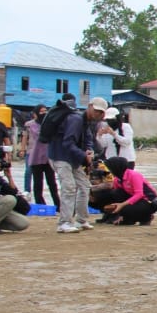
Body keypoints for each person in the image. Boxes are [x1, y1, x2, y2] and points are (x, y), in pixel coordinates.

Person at [50, 96, 105, 233]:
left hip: (73, 158)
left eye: (101, 112)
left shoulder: (85, 121)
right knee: (69, 187)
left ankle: (81, 220)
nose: (98, 114)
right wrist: (84, 156)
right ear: (90, 106)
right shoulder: (76, 119)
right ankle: (64, 223)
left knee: (84, 185)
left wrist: (89, 151)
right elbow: (67, 143)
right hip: (60, 156)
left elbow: (88, 139)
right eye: (96, 110)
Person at [98, 157, 157, 226]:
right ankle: (123, 218)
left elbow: (139, 194)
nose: (109, 171)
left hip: (148, 200)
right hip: (135, 200)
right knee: (112, 194)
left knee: (125, 209)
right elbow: (117, 195)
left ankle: (146, 217)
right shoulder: (117, 179)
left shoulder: (134, 175)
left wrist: (122, 205)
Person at [24, 105, 58, 209]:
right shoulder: (31, 125)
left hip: (48, 157)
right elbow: (40, 136)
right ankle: (40, 204)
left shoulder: (50, 124)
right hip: (36, 157)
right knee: (38, 183)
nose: (44, 113)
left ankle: (58, 204)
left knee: (52, 182)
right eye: (41, 111)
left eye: (45, 111)